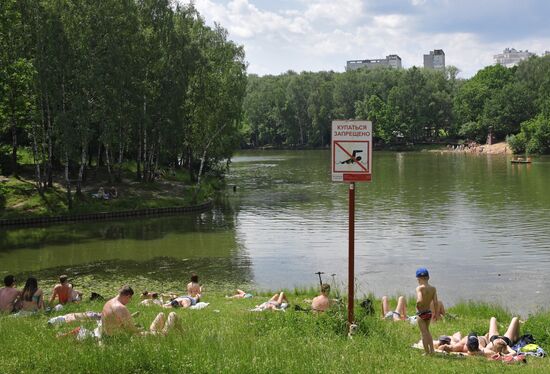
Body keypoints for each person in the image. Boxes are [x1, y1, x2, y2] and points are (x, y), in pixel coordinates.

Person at [101, 285, 181, 336]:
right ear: (128, 296)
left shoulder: (108, 303)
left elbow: (119, 323)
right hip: (127, 337)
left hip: (113, 335)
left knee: (161, 314)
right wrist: (140, 329)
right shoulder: (121, 308)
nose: (129, 301)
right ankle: (167, 334)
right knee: (173, 314)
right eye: (130, 299)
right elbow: (131, 330)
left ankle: (180, 334)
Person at [415, 267, 438, 354]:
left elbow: (419, 300)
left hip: (421, 314)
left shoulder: (419, 288)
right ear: (428, 278)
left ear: (418, 279)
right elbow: (435, 302)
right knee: (428, 331)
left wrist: (417, 305)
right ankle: (432, 350)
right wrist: (435, 313)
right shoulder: (433, 289)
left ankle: (427, 352)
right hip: (428, 313)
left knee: (423, 333)